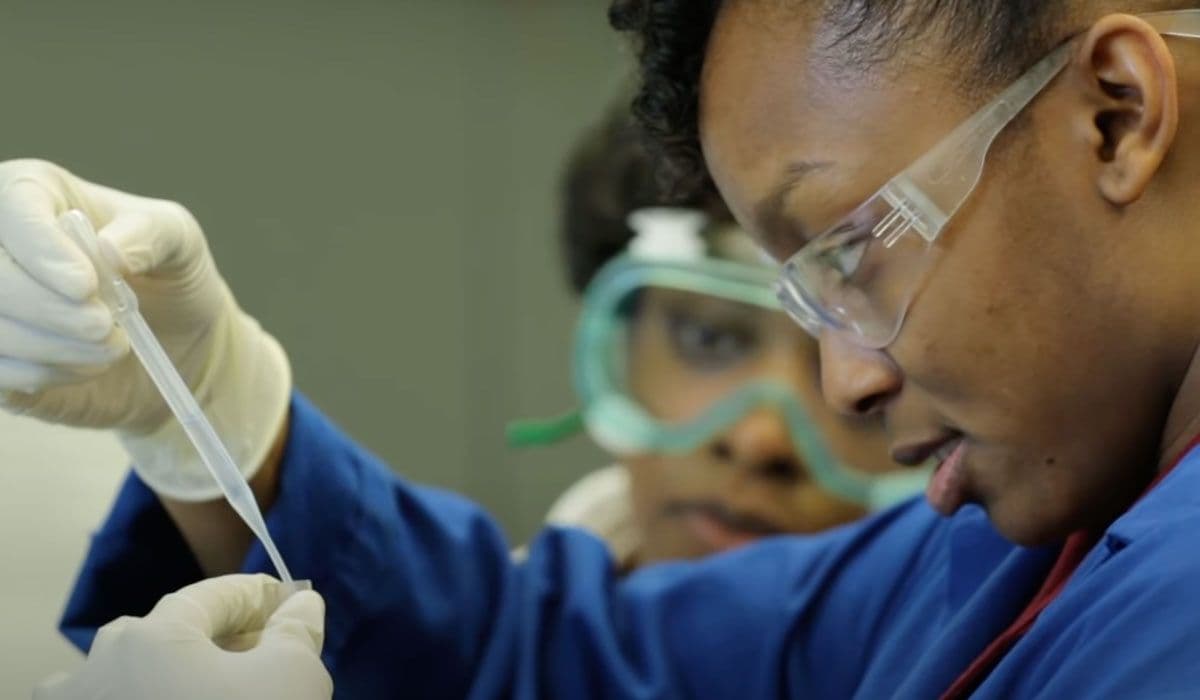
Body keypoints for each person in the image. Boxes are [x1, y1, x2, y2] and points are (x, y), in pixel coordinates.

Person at [6, 2, 1200, 696]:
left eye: (855, 250)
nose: (847, 381)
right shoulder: (1004, 547)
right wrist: (211, 407)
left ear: (1117, 112)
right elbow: (555, 660)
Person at [519, 107, 921, 568]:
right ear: (622, 343)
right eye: (709, 338)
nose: (760, 441)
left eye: (868, 378)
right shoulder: (472, 638)